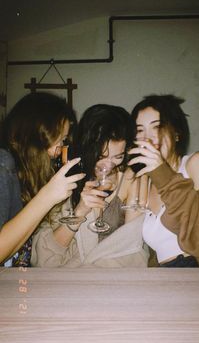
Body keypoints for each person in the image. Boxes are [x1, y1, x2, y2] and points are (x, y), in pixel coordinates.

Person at [31, 104, 149, 267]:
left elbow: (133, 246)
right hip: (70, 276)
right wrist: (80, 211)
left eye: (118, 156)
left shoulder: (130, 179)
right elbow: (45, 258)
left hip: (113, 275)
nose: (109, 165)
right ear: (87, 149)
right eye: (101, 156)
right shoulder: (66, 178)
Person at [128, 94, 199, 267]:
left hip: (198, 267)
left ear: (177, 133)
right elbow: (129, 242)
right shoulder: (143, 182)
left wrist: (162, 174)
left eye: (157, 127)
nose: (147, 139)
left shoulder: (197, 162)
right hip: (163, 276)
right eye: (140, 130)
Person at [0, 92, 85, 266]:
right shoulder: (3, 164)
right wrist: (47, 197)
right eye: (60, 141)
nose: (60, 150)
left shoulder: (27, 174)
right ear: (37, 135)